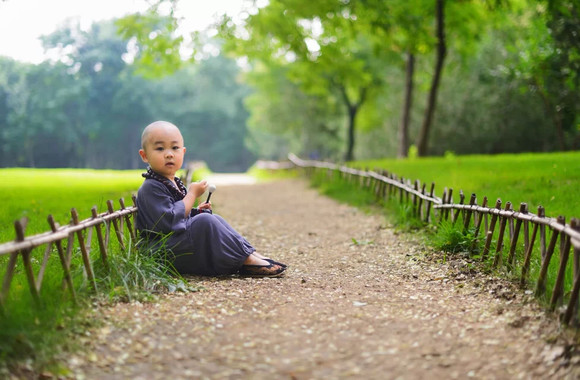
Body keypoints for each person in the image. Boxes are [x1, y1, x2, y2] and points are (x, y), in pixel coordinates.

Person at [135, 120, 286, 277]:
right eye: (160, 148)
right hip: (161, 252)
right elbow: (169, 221)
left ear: (183, 152)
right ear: (144, 155)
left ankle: (250, 255)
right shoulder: (151, 187)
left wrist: (196, 212)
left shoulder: (171, 181)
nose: (169, 154)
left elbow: (179, 213)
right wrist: (192, 194)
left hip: (173, 244)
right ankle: (246, 260)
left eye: (175, 148)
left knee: (210, 217)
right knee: (205, 222)